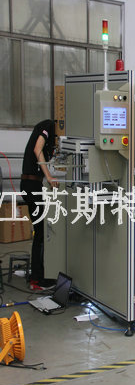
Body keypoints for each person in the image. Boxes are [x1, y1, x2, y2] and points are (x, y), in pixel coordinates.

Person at [21, 119, 59, 290]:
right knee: (41, 232)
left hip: (32, 184)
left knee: (40, 231)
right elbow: (38, 149)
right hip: (31, 185)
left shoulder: (53, 133)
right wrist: (49, 177)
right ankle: (37, 279)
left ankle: (38, 273)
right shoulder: (48, 125)